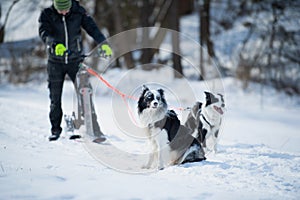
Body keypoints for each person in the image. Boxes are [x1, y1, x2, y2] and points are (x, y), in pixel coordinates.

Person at [38, 0, 112, 141]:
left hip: (75, 60)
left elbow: (92, 28)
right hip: (55, 62)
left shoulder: (79, 11)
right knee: (55, 97)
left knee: (85, 94)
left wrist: (103, 43)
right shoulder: (46, 14)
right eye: (61, 10)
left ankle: (94, 130)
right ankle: (55, 130)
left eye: (66, 9)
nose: (64, 13)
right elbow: (44, 33)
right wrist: (54, 45)